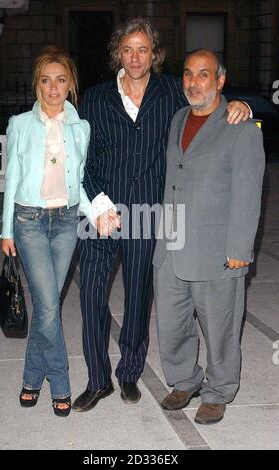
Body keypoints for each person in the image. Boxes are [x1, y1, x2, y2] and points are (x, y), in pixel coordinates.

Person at [72, 17, 251, 413]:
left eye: (143, 49)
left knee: (138, 297)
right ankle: (97, 379)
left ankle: (130, 373)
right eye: (127, 49)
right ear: (117, 52)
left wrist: (242, 104)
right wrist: (98, 206)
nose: (135, 57)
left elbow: (211, 103)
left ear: (154, 55)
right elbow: (79, 158)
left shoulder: (172, 90)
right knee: (90, 297)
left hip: (150, 213)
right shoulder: (96, 97)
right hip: (100, 210)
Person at [153, 49, 265, 424]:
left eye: (204, 74)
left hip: (217, 250)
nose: (193, 82)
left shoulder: (242, 129)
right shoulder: (178, 118)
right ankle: (185, 380)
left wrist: (239, 250)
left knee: (220, 329)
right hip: (171, 245)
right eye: (187, 74)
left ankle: (218, 391)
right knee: (172, 323)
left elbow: (248, 195)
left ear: (220, 81)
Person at [1, 46, 96, 417]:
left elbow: (80, 182)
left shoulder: (81, 128)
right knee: (48, 307)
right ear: (36, 84)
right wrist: (6, 229)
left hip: (68, 221)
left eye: (60, 80)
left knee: (46, 308)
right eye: (45, 80)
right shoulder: (20, 124)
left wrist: (96, 212)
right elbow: (12, 179)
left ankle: (30, 378)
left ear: (70, 84)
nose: (53, 87)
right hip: (29, 222)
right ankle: (60, 381)